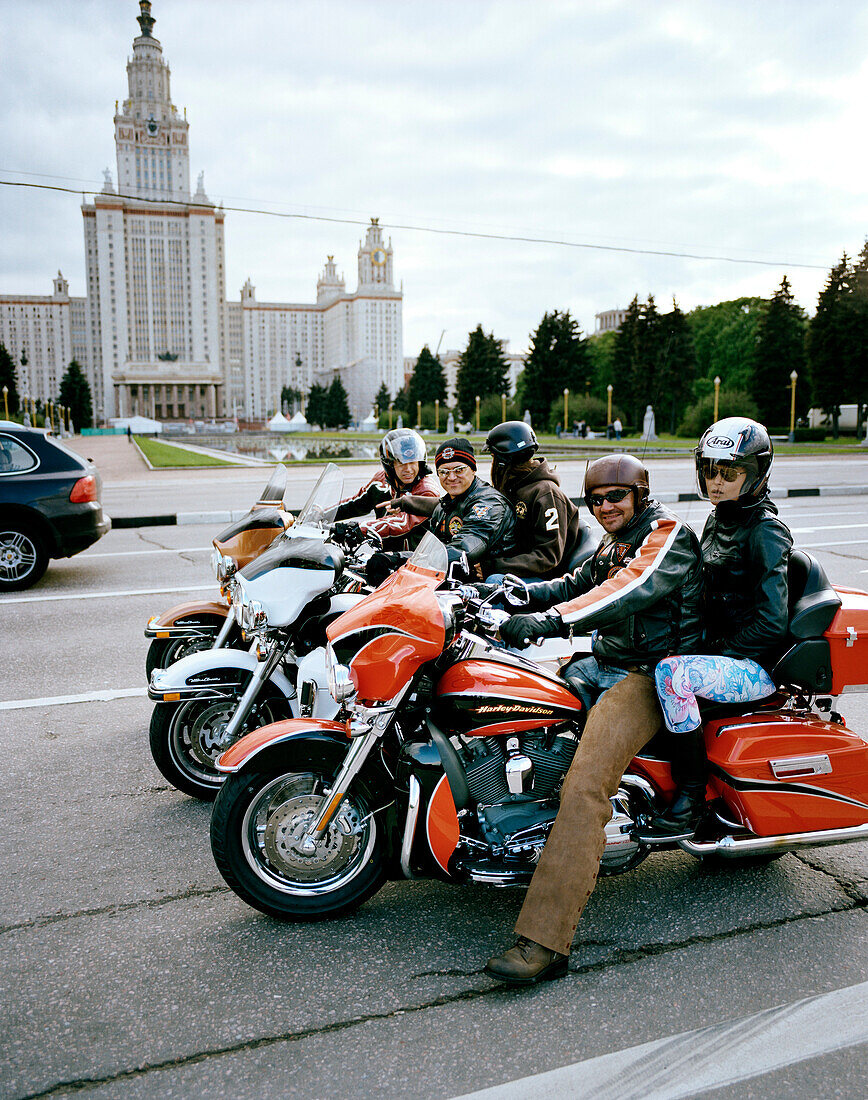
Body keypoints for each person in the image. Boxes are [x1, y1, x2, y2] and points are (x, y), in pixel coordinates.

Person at [483, 454, 703, 985]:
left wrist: (548, 622)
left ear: (640, 495)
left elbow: (627, 589)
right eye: (596, 499)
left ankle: (545, 941)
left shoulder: (668, 535)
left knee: (584, 787)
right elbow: (576, 581)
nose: (605, 506)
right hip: (601, 664)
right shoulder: (612, 541)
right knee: (514, 704)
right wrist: (509, 591)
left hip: (650, 676)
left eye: (616, 497)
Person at [643, 417, 792, 839]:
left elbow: (771, 622)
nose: (716, 481)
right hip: (722, 652)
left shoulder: (765, 532)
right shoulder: (718, 519)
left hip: (755, 665)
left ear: (756, 473)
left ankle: (690, 796)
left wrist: (717, 648)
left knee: (674, 675)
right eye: (710, 470)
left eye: (730, 472)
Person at [483, 420, 583, 580]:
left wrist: (494, 566)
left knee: (494, 581)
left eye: (493, 457)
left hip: (546, 578)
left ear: (502, 461)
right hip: (514, 565)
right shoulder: (511, 488)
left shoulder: (546, 493)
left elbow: (548, 557)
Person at [333, 428, 439, 549]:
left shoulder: (427, 491)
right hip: (384, 556)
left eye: (413, 463)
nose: (408, 469)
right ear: (390, 464)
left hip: (415, 560)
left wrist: (359, 529)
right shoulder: (381, 481)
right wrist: (320, 514)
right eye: (401, 463)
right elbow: (355, 503)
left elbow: (401, 522)